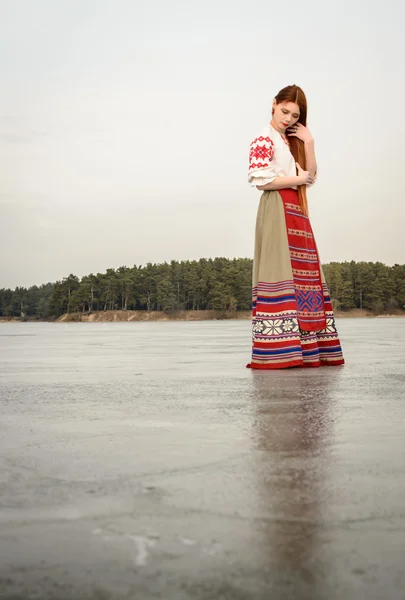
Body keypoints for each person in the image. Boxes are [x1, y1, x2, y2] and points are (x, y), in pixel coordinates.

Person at [247, 84, 344, 369]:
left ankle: (310, 350)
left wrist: (309, 142)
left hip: (296, 209)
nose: (288, 118)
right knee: (281, 271)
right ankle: (281, 350)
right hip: (277, 205)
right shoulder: (263, 138)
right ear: (274, 104)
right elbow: (261, 180)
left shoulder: (290, 141)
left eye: (294, 115)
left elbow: (310, 177)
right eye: (284, 111)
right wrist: (299, 180)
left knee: (305, 275)